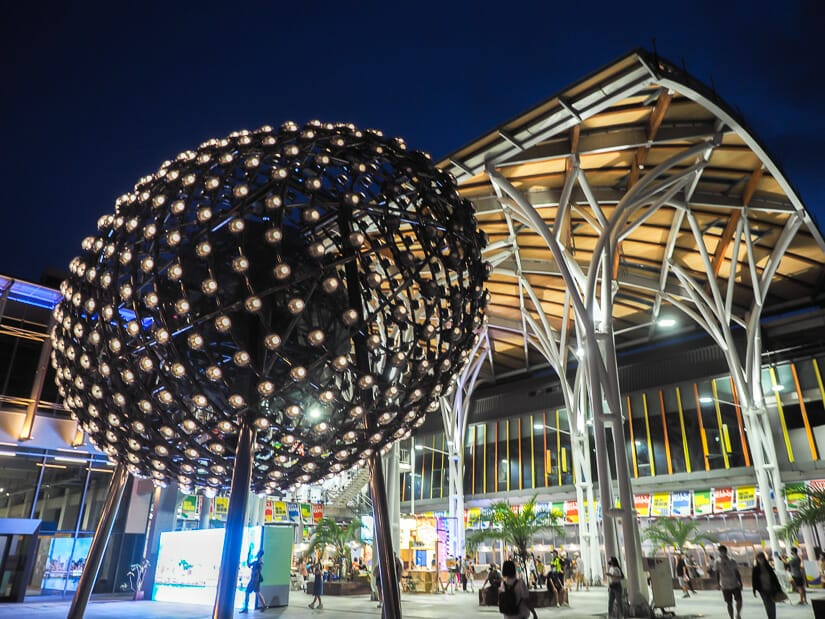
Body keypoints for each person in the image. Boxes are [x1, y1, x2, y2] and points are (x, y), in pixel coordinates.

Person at [752, 551, 784, 619]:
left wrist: (778, 588)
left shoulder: (768, 567)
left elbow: (774, 578)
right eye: (759, 558)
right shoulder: (756, 569)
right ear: (757, 559)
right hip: (762, 590)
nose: (760, 560)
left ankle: (773, 617)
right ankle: (770, 617)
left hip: (771, 588)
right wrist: (754, 590)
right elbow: (754, 580)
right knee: (767, 604)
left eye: (761, 558)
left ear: (764, 558)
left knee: (772, 604)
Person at [715, 545, 743, 619]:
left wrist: (740, 582)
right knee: (729, 602)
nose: (721, 553)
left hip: (735, 583)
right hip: (725, 585)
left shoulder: (732, 560)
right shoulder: (717, 562)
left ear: (726, 551)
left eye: (723, 551)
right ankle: (731, 617)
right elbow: (717, 573)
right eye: (720, 551)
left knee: (739, 600)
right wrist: (718, 584)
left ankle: (738, 614)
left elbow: (737, 572)